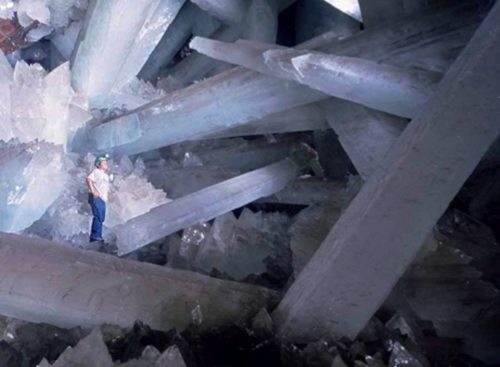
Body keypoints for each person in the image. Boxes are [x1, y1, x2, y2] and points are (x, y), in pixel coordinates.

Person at [86, 154, 110, 243]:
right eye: (104, 163)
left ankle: (98, 235)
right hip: (96, 197)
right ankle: (95, 236)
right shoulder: (96, 172)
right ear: (98, 164)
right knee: (98, 216)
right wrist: (93, 191)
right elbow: (88, 179)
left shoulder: (105, 175)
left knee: (101, 217)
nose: (106, 164)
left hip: (102, 198)